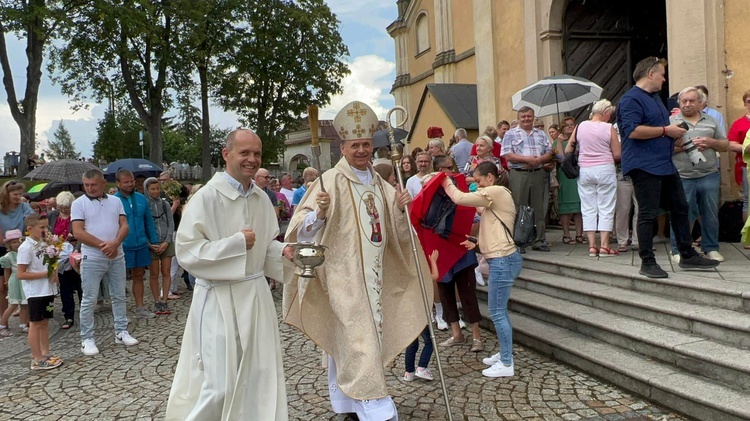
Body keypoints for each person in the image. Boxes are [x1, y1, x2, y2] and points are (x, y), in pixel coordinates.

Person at [283, 100, 430, 420]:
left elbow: (399, 233)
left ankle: (349, 403)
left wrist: (400, 209)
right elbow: (302, 229)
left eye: (366, 144)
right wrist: (319, 214)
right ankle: (373, 406)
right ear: (344, 146)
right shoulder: (331, 181)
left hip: (377, 276)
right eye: (355, 145)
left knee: (362, 339)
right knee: (356, 336)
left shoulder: (380, 183)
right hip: (342, 275)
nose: (362, 150)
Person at [165, 129, 293, 420]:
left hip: (255, 296)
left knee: (259, 376)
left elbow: (264, 248)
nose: (251, 159)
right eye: (244, 153)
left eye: (256, 154)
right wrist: (235, 244)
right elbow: (187, 252)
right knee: (218, 384)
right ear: (227, 154)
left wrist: (281, 252)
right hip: (218, 299)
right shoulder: (206, 198)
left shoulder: (261, 199)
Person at [615, 56, 719, 278]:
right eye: (662, 74)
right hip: (644, 165)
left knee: (681, 207)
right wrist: (665, 132)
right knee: (647, 213)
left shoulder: (655, 98)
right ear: (650, 74)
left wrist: (674, 138)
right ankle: (647, 262)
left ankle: (687, 254)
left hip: (664, 163)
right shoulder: (630, 99)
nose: (664, 79)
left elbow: (660, 128)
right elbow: (632, 131)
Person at [440, 161, 521, 377]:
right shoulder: (494, 197)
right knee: (499, 311)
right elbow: (492, 227)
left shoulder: (497, 191)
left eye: (478, 181)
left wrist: (445, 180)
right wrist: (475, 242)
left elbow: (459, 198)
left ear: (490, 178)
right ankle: (505, 353)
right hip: (501, 258)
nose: (476, 186)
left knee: (496, 312)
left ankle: (506, 363)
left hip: (503, 260)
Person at [72, 169, 138, 356]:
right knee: (90, 298)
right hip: (93, 257)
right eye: (86, 185)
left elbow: (124, 225)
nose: (90, 188)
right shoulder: (79, 204)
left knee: (119, 294)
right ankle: (87, 338)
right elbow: (78, 232)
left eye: (93, 184)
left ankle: (121, 330)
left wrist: (115, 243)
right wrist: (104, 246)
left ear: (103, 183)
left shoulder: (116, 201)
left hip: (116, 255)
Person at [668, 86, 728, 263]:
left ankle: (711, 248)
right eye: (684, 101)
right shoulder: (671, 122)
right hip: (681, 176)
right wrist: (686, 146)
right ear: (679, 102)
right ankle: (677, 249)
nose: (687, 104)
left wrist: (711, 142)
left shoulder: (712, 120)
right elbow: (662, 149)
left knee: (710, 213)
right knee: (681, 213)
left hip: (708, 174)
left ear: (700, 102)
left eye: (691, 101)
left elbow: (725, 145)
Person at [566, 100, 621, 256]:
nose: (610, 118)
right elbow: (617, 154)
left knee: (588, 207)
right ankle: (604, 246)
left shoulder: (580, 126)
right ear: (604, 113)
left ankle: (591, 246)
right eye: (610, 114)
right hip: (605, 169)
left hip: (585, 170)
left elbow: (570, 147)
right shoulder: (608, 128)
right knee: (606, 207)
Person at [501, 106, 555, 252]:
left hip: (538, 172)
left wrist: (540, 160)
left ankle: (539, 240)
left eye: (529, 116)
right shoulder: (511, 134)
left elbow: (550, 151)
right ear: (519, 118)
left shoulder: (541, 134)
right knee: (519, 207)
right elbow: (507, 154)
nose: (526, 119)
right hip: (519, 173)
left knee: (539, 207)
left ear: (533, 117)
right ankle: (519, 241)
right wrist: (527, 160)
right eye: (523, 116)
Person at [16, 213, 63, 370]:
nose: (45, 230)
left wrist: (53, 273)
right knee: (35, 324)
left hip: (47, 289)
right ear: (30, 229)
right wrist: (44, 274)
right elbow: (21, 274)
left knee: (45, 322)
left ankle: (45, 353)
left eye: (47, 227)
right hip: (35, 292)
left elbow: (48, 264)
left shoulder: (44, 244)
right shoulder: (25, 247)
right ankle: (36, 358)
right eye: (41, 227)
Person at [114, 169, 159, 319]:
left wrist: (153, 240)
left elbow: (148, 221)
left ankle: (140, 307)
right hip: (122, 245)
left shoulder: (141, 198)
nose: (130, 184)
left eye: (131, 181)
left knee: (139, 276)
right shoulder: (113, 200)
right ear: (118, 183)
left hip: (140, 244)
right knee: (119, 279)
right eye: (126, 182)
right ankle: (120, 312)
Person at [404, 249, 439, 382]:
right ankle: (422, 367)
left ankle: (409, 372)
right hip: (422, 315)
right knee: (430, 341)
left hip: (409, 315)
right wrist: (433, 261)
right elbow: (435, 276)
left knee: (412, 344)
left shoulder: (408, 278)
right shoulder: (423, 275)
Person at [0, 180, 34, 317]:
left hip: (20, 246)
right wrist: (6, 244)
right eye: (15, 194)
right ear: (7, 194)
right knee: (2, 287)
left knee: (22, 282)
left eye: (20, 194)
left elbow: (31, 220)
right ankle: (3, 319)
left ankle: (25, 316)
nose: (18, 197)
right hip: (3, 246)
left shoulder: (24, 206)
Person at [144, 177, 175, 315]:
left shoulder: (165, 204)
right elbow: (142, 226)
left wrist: (167, 241)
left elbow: (170, 223)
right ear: (147, 190)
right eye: (153, 189)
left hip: (165, 242)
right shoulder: (145, 205)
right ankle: (157, 301)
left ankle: (164, 299)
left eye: (157, 188)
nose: (156, 191)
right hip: (152, 244)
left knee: (166, 272)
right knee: (154, 274)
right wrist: (149, 244)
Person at [727, 89, 750, 223]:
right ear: (745, 103)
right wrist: (745, 148)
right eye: (749, 101)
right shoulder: (739, 124)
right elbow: (730, 144)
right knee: (748, 200)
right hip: (746, 166)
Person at [0, 229, 27, 336]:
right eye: (14, 242)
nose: (17, 244)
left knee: (25, 304)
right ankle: (2, 324)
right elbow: (7, 270)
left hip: (24, 280)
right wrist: (7, 282)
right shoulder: (8, 256)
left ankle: (23, 324)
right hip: (15, 280)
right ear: (9, 244)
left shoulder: (24, 253)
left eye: (18, 241)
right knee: (13, 304)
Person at [57, 234, 82, 329]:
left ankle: (85, 314)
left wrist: (76, 249)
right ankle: (68, 317)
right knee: (65, 292)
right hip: (61, 266)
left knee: (82, 290)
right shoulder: (54, 219)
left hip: (77, 259)